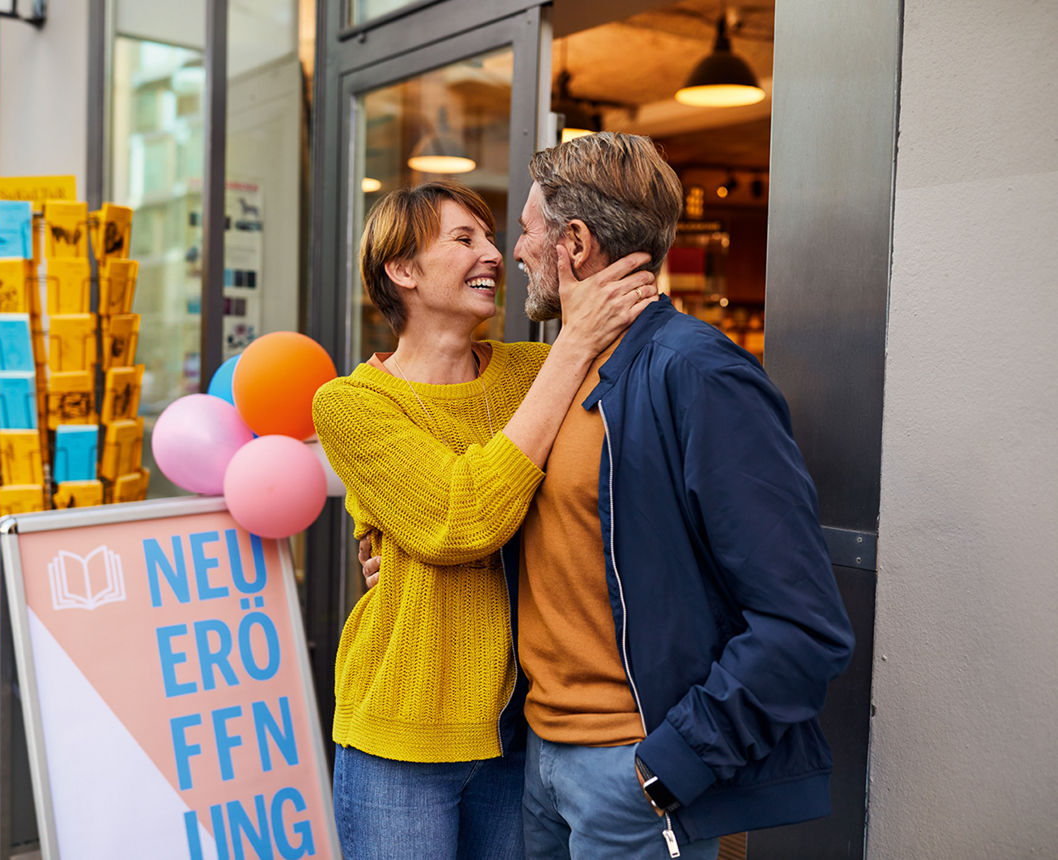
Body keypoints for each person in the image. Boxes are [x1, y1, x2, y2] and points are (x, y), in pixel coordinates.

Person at [363, 133, 856, 860]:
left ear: (576, 243)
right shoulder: (549, 379)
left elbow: (804, 622)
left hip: (633, 769)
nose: (514, 252)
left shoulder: (697, 373)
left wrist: (670, 767)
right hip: (537, 760)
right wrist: (385, 547)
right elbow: (478, 494)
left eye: (526, 230)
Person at [311, 180, 660, 860]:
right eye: (463, 239)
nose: (494, 255)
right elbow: (458, 521)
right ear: (403, 270)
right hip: (402, 735)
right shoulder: (350, 404)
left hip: (523, 730)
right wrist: (573, 346)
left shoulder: (534, 371)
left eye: (492, 237)